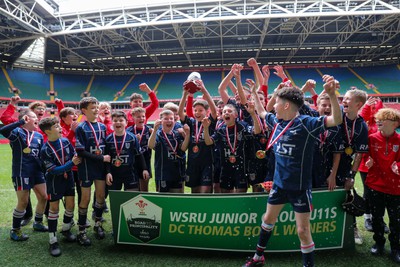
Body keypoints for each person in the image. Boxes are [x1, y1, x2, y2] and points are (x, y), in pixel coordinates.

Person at [242, 75, 342, 267]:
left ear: (286, 105)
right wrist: (254, 93)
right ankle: (258, 257)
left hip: (300, 188)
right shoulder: (277, 121)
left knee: (303, 231)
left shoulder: (306, 123)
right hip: (279, 186)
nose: (274, 106)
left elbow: (336, 119)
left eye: (277, 102)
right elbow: (263, 112)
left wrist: (332, 94)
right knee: (267, 220)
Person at [0, 109, 48, 241]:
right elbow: (3, 131)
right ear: (26, 119)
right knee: (23, 201)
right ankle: (15, 230)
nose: (37, 119)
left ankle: (38, 222)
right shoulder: (17, 132)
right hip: (22, 171)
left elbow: (41, 155)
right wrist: (20, 122)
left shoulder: (38, 136)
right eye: (33, 117)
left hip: (37, 172)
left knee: (44, 196)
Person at [39, 117, 81, 256]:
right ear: (48, 131)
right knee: (54, 208)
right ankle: (53, 240)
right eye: (56, 126)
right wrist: (72, 164)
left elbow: (73, 154)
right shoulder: (45, 149)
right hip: (54, 181)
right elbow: (53, 170)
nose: (60, 127)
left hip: (68, 178)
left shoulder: (65, 141)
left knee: (70, 205)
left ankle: (66, 229)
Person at [365, 108, 400, 263]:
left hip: (396, 188)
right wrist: (367, 160)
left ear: (395, 124)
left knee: (396, 220)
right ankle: (379, 243)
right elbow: (364, 154)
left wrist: (398, 166)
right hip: (375, 186)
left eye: (384, 119)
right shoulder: (371, 138)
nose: (379, 121)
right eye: (378, 118)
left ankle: (396, 248)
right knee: (377, 218)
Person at [202, 100, 261, 193]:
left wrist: (253, 114)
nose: (226, 113)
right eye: (224, 112)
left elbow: (257, 131)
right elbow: (208, 142)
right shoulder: (220, 130)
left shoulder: (243, 127)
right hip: (225, 169)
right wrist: (205, 128)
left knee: (240, 197)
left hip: (241, 169)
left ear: (236, 115)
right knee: (226, 197)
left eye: (229, 111)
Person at [75, 97, 110, 245]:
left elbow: (106, 150)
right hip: (87, 168)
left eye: (97, 106)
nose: (96, 109)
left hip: (100, 168)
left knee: (101, 196)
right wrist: (101, 158)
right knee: (85, 199)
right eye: (93, 107)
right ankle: (81, 231)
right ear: (84, 110)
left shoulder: (102, 127)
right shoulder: (81, 128)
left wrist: (105, 164)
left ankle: (97, 225)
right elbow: (80, 151)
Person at [336, 88, 369, 245]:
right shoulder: (337, 116)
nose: (344, 100)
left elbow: (359, 154)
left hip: (345, 164)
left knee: (348, 195)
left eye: (348, 99)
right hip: (326, 161)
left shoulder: (362, 127)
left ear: (359, 104)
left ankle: (353, 228)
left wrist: (351, 175)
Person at [178, 79, 217, 193]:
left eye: (200, 110)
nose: (197, 113)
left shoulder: (209, 122)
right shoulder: (190, 122)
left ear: (206, 111)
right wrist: (185, 94)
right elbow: (180, 113)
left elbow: (214, 111)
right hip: (192, 163)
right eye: (195, 110)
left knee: (205, 192)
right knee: (194, 192)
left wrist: (204, 90)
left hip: (207, 164)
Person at [105, 111, 149, 191]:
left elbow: (139, 155)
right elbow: (107, 159)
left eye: (121, 120)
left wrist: (144, 169)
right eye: (115, 121)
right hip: (114, 174)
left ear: (126, 123)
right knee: (115, 199)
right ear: (112, 123)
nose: (118, 122)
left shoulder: (132, 138)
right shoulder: (108, 139)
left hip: (130, 173)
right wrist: (108, 172)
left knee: (131, 199)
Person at [148, 110, 190, 193]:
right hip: (163, 174)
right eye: (166, 119)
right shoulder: (158, 134)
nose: (169, 121)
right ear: (161, 121)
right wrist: (155, 130)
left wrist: (187, 135)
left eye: (171, 118)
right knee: (163, 200)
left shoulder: (177, 134)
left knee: (177, 199)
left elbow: (183, 148)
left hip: (177, 173)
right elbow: (151, 145)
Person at [127, 107, 153, 192]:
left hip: (146, 162)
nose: (141, 118)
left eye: (143, 116)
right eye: (138, 117)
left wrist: (154, 134)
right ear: (133, 118)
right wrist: (135, 141)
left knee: (144, 189)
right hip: (133, 164)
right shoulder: (129, 131)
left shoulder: (150, 130)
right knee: (134, 190)